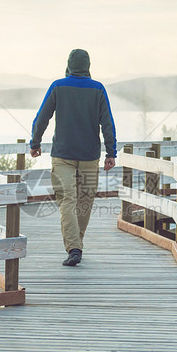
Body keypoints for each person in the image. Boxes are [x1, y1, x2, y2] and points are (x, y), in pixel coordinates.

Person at [30, 48, 117, 267]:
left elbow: (42, 117)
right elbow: (107, 123)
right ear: (88, 66)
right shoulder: (98, 89)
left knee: (67, 201)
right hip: (89, 156)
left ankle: (74, 247)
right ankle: (76, 246)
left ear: (69, 64)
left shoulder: (58, 86)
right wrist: (111, 152)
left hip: (63, 156)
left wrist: (35, 142)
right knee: (85, 201)